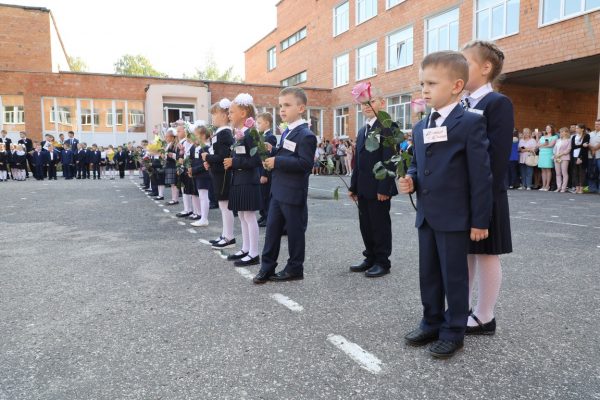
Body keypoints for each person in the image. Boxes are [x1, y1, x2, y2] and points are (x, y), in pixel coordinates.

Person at [397, 51, 492, 359]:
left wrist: (480, 220)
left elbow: (481, 176)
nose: (424, 90)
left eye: (431, 83)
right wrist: (410, 178)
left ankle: (454, 330)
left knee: (454, 276)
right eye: (422, 83)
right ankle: (431, 320)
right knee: (429, 274)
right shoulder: (421, 126)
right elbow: (419, 164)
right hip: (427, 214)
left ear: (456, 85)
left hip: (455, 217)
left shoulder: (470, 123)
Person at [462, 40, 514, 336]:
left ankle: (485, 315)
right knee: (467, 252)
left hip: (487, 190)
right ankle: (462, 306)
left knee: (486, 253)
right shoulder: (462, 104)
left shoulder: (497, 103)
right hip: (464, 191)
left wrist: (484, 195)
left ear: (485, 67)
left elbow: (496, 156)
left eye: (465, 63)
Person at [253, 87, 317, 283]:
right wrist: (273, 153)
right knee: (272, 230)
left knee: (295, 232)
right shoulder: (288, 132)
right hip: (278, 191)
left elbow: (305, 164)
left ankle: (295, 267)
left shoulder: (305, 134)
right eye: (281, 105)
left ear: (301, 108)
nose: (282, 110)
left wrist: (277, 162)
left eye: (287, 105)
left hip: (293, 192)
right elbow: (288, 155)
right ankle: (267, 266)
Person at [348, 86, 398, 278]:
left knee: (379, 224)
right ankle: (370, 256)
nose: (367, 106)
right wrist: (353, 186)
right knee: (366, 224)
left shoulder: (388, 127)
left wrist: (385, 187)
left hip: (379, 188)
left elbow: (390, 160)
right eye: (363, 103)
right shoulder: (363, 130)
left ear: (382, 103)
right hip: (363, 187)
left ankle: (382, 261)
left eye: (371, 101)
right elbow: (358, 161)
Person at [223, 93, 262, 266]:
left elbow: (256, 160)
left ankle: (254, 253)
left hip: (248, 180)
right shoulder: (239, 133)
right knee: (241, 215)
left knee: (249, 216)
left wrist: (234, 161)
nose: (229, 115)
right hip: (238, 179)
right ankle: (245, 248)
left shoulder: (251, 133)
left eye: (232, 112)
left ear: (243, 113)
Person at [204, 99, 235, 249]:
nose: (212, 118)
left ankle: (229, 237)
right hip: (217, 173)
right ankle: (225, 235)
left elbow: (223, 156)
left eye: (214, 115)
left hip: (223, 174)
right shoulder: (219, 133)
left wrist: (208, 158)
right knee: (223, 206)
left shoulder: (225, 133)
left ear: (224, 116)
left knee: (225, 206)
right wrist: (209, 161)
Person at [256, 112, 278, 227]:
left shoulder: (270, 137)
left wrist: (264, 174)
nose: (257, 125)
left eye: (259, 123)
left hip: (266, 171)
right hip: (260, 169)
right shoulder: (261, 136)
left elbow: (268, 156)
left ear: (267, 123)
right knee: (261, 194)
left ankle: (268, 216)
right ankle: (263, 215)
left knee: (266, 194)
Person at [189, 125, 212, 227]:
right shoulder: (197, 147)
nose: (194, 137)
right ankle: (202, 217)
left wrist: (193, 170)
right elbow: (194, 161)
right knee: (201, 196)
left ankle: (204, 218)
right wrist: (191, 170)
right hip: (197, 174)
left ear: (203, 136)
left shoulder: (206, 148)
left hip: (204, 175)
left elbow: (205, 164)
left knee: (203, 197)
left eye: (195, 135)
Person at [570, 123, 590, 194]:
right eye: (576, 128)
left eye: (577, 128)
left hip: (582, 156)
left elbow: (585, 148)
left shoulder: (586, 136)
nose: (576, 129)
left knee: (582, 172)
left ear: (582, 129)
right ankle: (577, 187)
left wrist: (580, 157)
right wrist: (581, 145)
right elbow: (573, 146)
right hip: (574, 156)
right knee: (575, 172)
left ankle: (581, 188)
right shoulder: (574, 137)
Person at [537, 125, 558, 191]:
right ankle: (543, 185)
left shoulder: (554, 136)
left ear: (552, 129)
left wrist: (542, 146)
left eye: (549, 128)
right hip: (542, 154)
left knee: (548, 169)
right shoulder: (543, 136)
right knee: (543, 170)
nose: (547, 129)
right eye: (546, 128)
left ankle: (547, 185)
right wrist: (543, 144)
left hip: (549, 154)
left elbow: (551, 145)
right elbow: (537, 145)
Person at [163, 129, 180, 205]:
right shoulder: (169, 144)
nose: (166, 138)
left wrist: (170, 155)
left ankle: (175, 199)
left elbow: (177, 156)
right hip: (169, 165)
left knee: (174, 184)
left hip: (173, 165)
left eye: (167, 136)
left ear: (172, 137)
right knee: (172, 184)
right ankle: (173, 199)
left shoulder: (175, 144)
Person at [553, 127, 572, 193]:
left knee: (564, 173)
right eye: (560, 132)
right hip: (557, 158)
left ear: (566, 132)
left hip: (564, 158)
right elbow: (555, 149)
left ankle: (563, 188)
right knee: (558, 173)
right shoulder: (558, 140)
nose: (560, 133)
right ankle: (559, 187)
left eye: (562, 132)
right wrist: (555, 154)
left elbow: (568, 149)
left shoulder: (569, 140)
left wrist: (560, 154)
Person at [588, 119, 600, 194]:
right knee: (591, 172)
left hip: (599, 155)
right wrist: (592, 149)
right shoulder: (590, 134)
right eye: (595, 124)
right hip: (591, 155)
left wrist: (594, 149)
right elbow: (587, 142)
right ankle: (592, 188)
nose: (596, 125)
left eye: (598, 124)